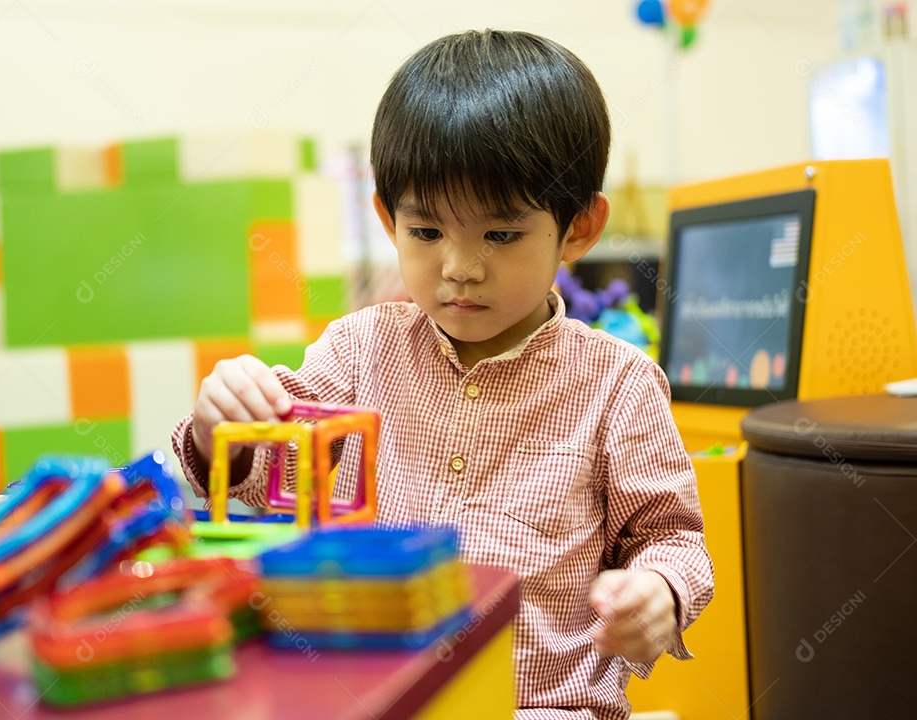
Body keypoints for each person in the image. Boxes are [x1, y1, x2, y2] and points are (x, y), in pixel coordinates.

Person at [173, 29, 713, 720]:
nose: (460, 266)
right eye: (426, 233)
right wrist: (223, 426)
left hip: (542, 708)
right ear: (386, 218)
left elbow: (672, 536)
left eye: (501, 234)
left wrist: (659, 592)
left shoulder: (617, 384)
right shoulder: (360, 350)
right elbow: (264, 470)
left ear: (579, 228)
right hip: (377, 697)